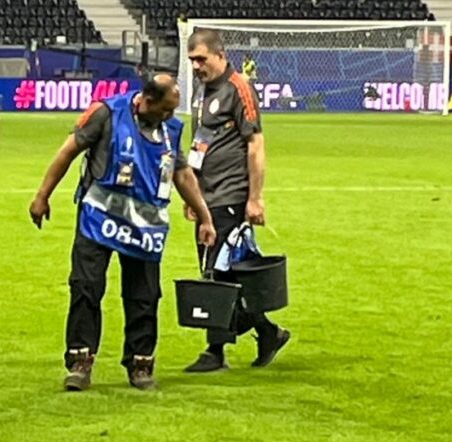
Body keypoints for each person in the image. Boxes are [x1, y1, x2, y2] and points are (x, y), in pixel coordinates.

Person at [28, 75, 217, 391]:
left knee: (144, 296)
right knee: (86, 287)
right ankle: (80, 361)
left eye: (171, 111)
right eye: (164, 111)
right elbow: (67, 151)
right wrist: (42, 195)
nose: (168, 117)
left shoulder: (171, 129)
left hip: (144, 226)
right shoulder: (106, 113)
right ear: (146, 101)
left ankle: (140, 363)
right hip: (98, 218)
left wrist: (205, 217)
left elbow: (182, 174)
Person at [182, 29, 289, 373]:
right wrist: (192, 192)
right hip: (206, 196)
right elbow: (200, 142)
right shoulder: (202, 91)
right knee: (217, 271)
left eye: (201, 59)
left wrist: (255, 198)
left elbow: (255, 144)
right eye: (192, 60)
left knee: (219, 269)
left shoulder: (238, 88)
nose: (196, 66)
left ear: (220, 54)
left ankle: (216, 351)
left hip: (230, 194)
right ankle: (267, 331)